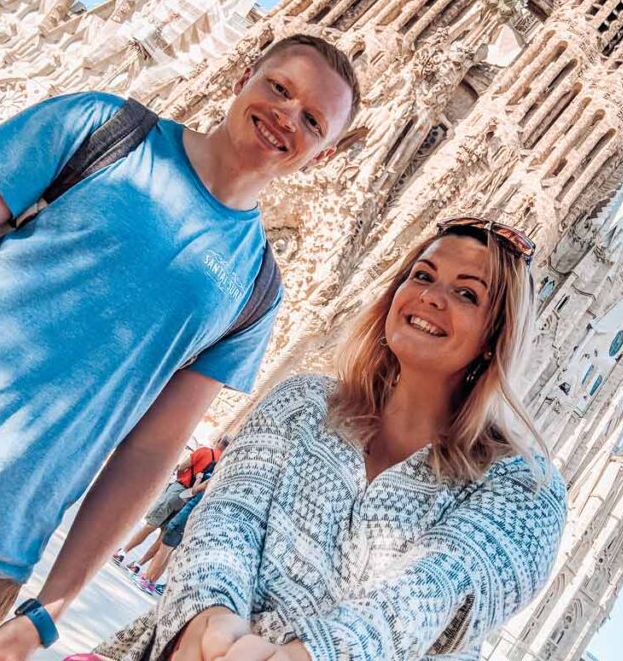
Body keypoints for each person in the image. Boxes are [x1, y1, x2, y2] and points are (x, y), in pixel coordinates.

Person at [0, 34, 359, 661]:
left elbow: (150, 451)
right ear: (243, 77)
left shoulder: (256, 290)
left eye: (312, 120)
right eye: (279, 87)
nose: (286, 116)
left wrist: (52, 606)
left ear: (325, 155)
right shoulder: (101, 128)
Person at [94, 217, 568, 661]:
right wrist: (209, 621)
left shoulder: (526, 488)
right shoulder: (303, 402)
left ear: (496, 336)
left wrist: (307, 655)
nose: (432, 296)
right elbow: (229, 516)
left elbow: (435, 588)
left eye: (467, 294)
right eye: (422, 276)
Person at [112, 435, 231, 573]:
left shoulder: (204, 451)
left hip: (179, 490)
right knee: (164, 534)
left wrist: (181, 477)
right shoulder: (221, 465)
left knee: (151, 524)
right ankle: (138, 565)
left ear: (218, 441)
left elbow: (182, 466)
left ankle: (123, 552)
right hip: (189, 500)